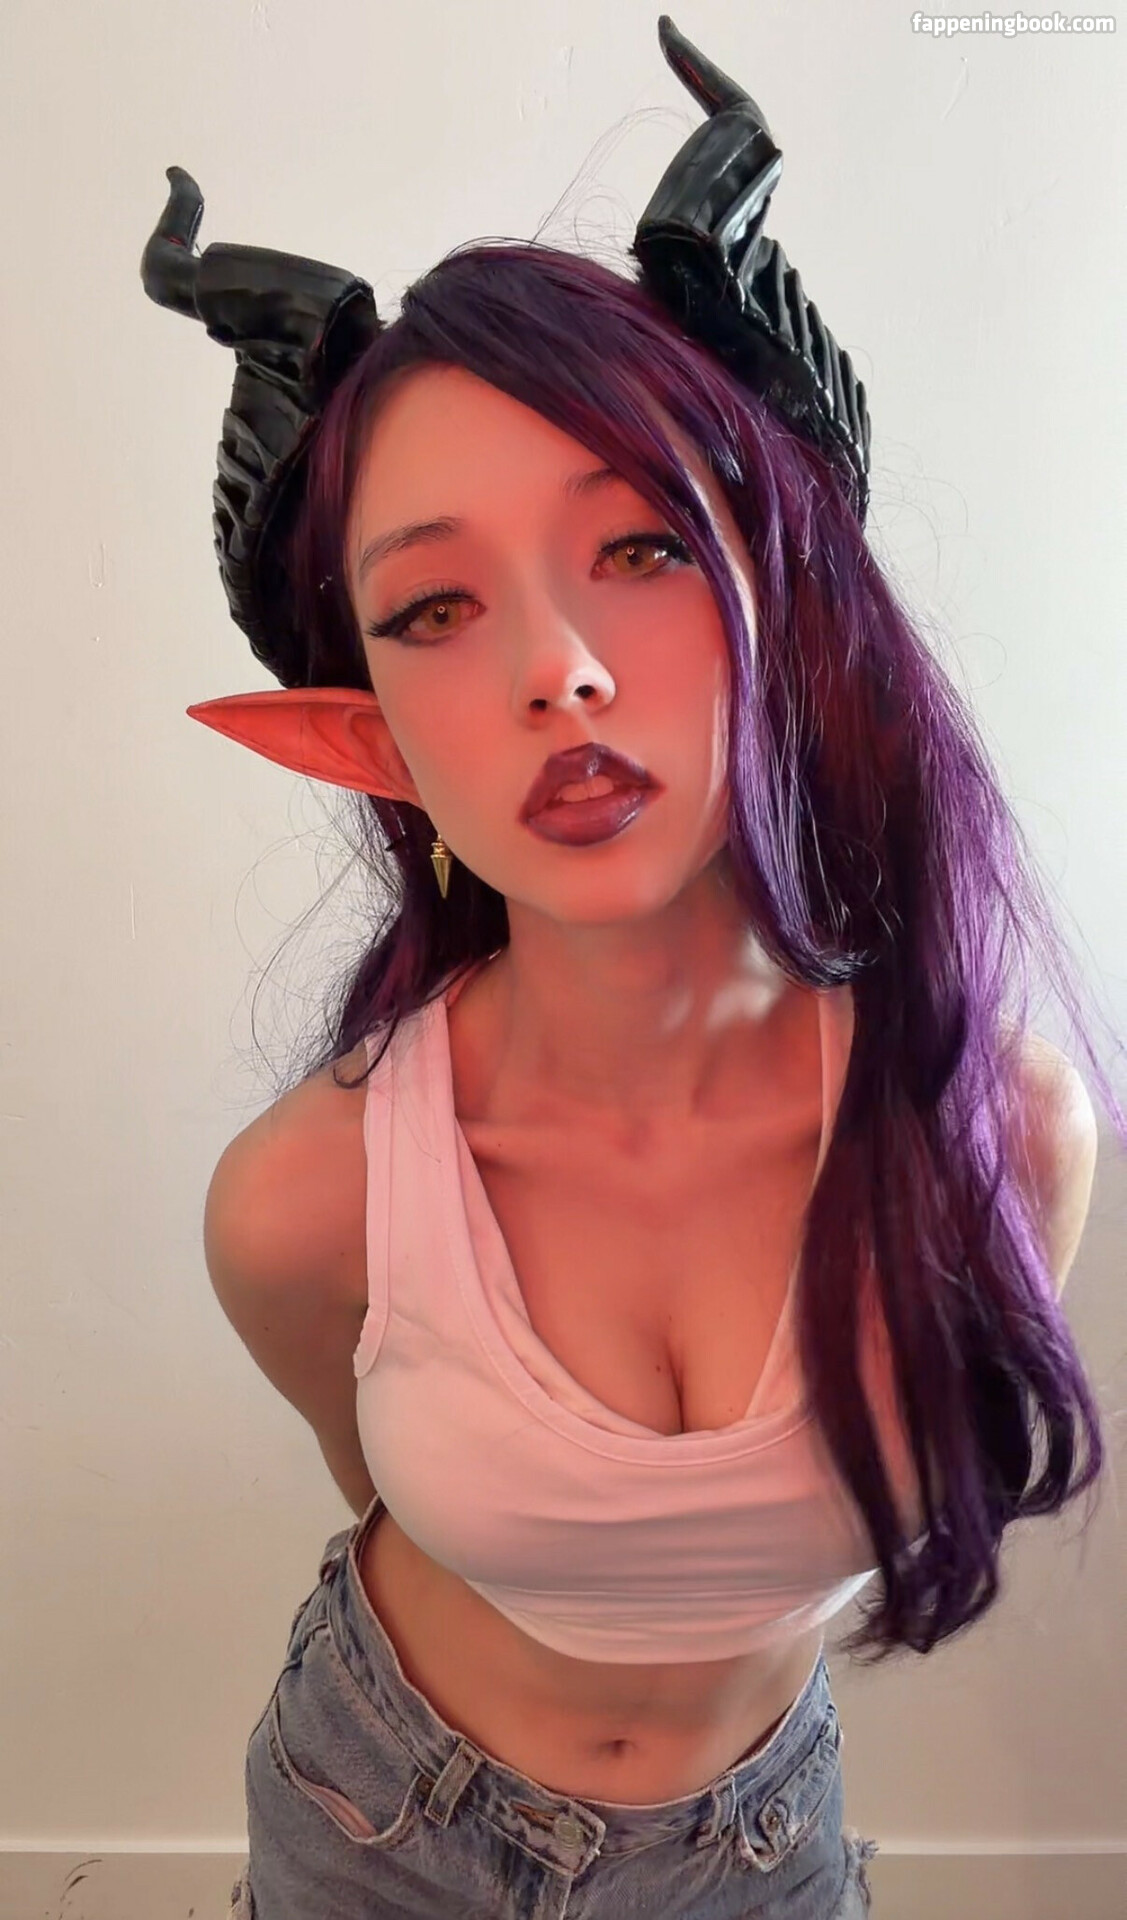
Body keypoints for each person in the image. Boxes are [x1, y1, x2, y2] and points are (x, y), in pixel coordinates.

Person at [141, 18, 1118, 1918]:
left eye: (647, 548)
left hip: (765, 1844)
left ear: (789, 612)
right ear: (363, 733)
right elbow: (388, 1498)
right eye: (435, 604)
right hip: (372, 1821)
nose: (561, 669)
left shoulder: (995, 1130)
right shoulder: (304, 1202)